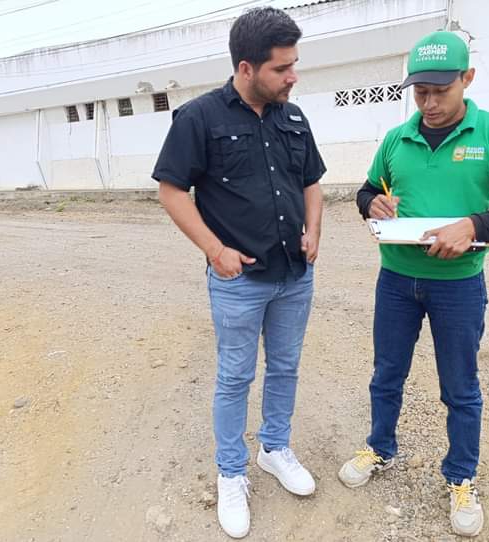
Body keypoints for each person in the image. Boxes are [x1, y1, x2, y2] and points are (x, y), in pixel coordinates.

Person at [339, 30, 489, 538]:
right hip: (395, 280)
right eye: (420, 92)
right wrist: (371, 204)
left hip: (458, 285)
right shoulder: (397, 138)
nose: (429, 103)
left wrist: (472, 225)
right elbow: (366, 191)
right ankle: (380, 448)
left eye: (440, 91)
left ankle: (461, 477)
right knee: (387, 374)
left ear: (467, 79)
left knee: (460, 387)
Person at [152, 7, 326, 539]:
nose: (293, 76)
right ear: (247, 68)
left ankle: (274, 448)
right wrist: (214, 249)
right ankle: (231, 471)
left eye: (294, 64)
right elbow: (171, 191)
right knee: (234, 377)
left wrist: (314, 231)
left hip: (294, 274)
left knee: (286, 367)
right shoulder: (199, 118)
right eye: (282, 68)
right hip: (239, 281)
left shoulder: (293, 118)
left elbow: (312, 182)